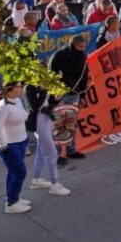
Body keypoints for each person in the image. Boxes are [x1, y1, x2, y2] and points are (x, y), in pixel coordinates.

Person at [49, 33, 90, 163]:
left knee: (71, 124)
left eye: (84, 47)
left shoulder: (82, 56)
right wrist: (54, 97)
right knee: (60, 124)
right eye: (80, 47)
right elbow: (51, 76)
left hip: (74, 95)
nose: (82, 49)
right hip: (60, 95)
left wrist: (83, 95)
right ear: (73, 45)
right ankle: (57, 154)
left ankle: (71, 150)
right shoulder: (59, 56)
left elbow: (84, 77)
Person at [0, 81, 32, 214]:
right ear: (9, 89)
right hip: (8, 145)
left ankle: (13, 197)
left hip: (21, 141)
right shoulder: (3, 106)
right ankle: (11, 204)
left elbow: (21, 117)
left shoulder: (18, 101)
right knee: (20, 172)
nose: (21, 89)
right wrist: (4, 146)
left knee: (13, 171)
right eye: (19, 87)